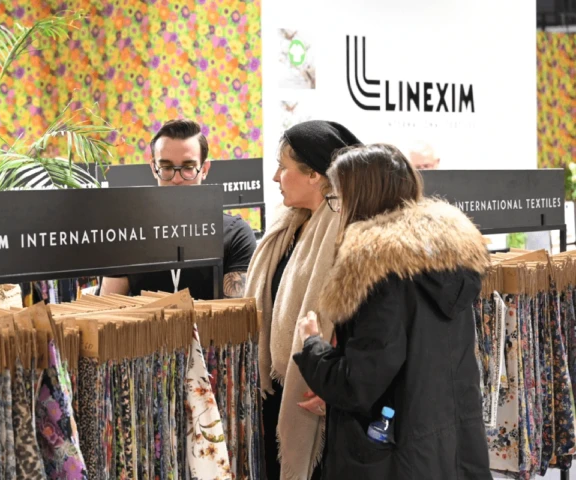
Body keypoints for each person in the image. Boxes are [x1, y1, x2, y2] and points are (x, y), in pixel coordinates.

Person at [293, 144, 491, 479]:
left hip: (390, 459)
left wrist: (313, 346)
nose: (337, 210)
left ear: (361, 199)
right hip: (445, 451)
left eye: (338, 198)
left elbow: (358, 384)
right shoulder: (446, 263)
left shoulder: (379, 272)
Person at [244, 120, 363, 479]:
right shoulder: (289, 225)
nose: (275, 177)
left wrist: (332, 382)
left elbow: (359, 322)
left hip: (319, 392)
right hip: (277, 389)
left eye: (283, 167)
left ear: (314, 175)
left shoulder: (347, 229)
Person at [100, 119, 256, 300]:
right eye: (166, 167)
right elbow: (108, 306)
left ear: (204, 169)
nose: (176, 179)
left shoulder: (236, 234)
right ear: (154, 168)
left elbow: (237, 312)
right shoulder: (127, 234)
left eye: (188, 167)